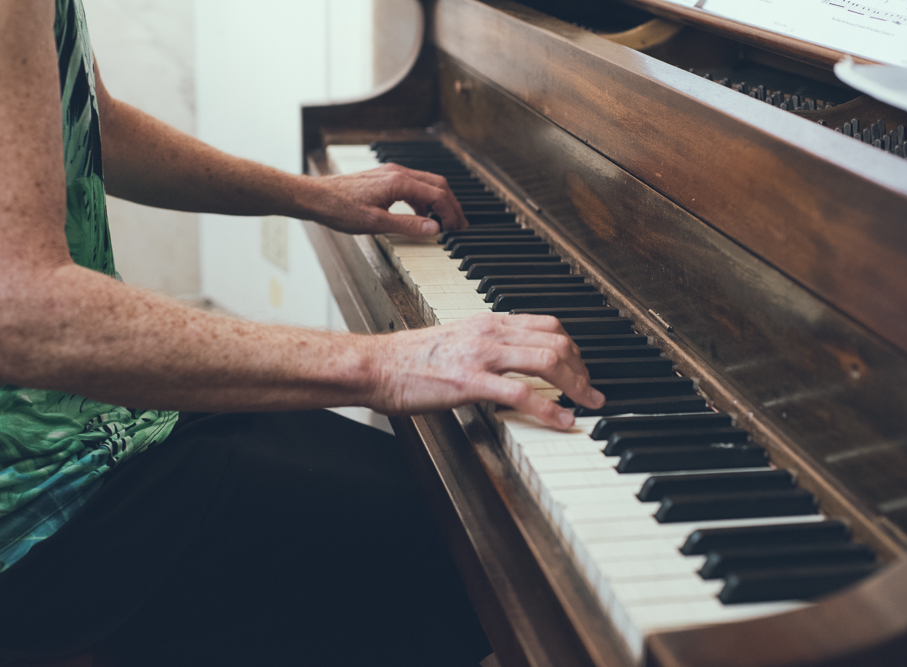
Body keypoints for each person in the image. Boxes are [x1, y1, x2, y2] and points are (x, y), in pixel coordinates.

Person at [0, 1, 605, 665]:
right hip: (40, 512)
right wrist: (384, 364)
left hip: (103, 421)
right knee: (480, 552)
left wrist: (307, 194)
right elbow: (22, 311)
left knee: (461, 507)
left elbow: (94, 125)